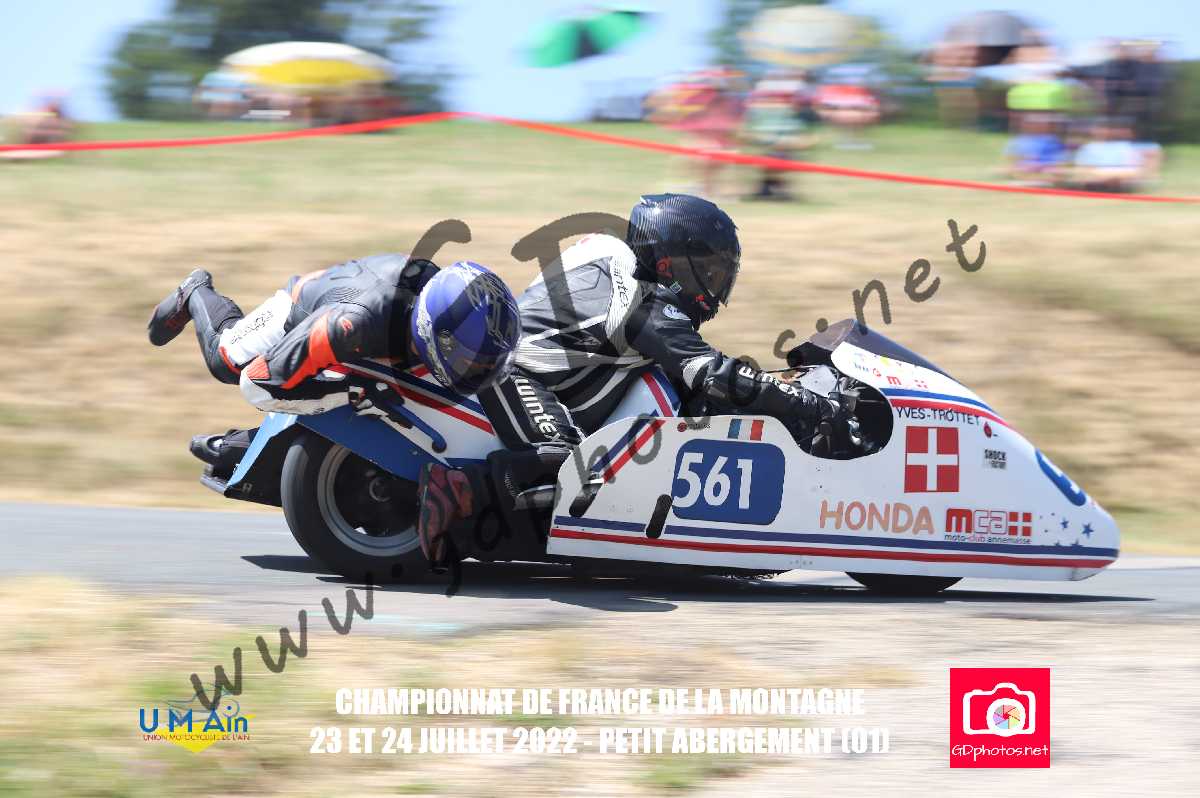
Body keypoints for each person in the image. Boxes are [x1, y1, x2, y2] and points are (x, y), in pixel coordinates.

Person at [416, 193, 855, 565]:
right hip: (517, 371)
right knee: (570, 468)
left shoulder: (619, 251)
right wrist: (806, 403)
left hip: (577, 371)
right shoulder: (642, 301)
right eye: (710, 274)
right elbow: (712, 371)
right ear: (669, 264)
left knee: (675, 400)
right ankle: (460, 489)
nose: (715, 289)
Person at [147, 254, 522, 473]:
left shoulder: (453, 300)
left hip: (375, 296)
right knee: (225, 362)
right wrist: (351, 391)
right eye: (470, 360)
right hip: (302, 311)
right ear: (431, 333)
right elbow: (257, 383)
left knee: (379, 390)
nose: (478, 369)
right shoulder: (347, 327)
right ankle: (194, 291)